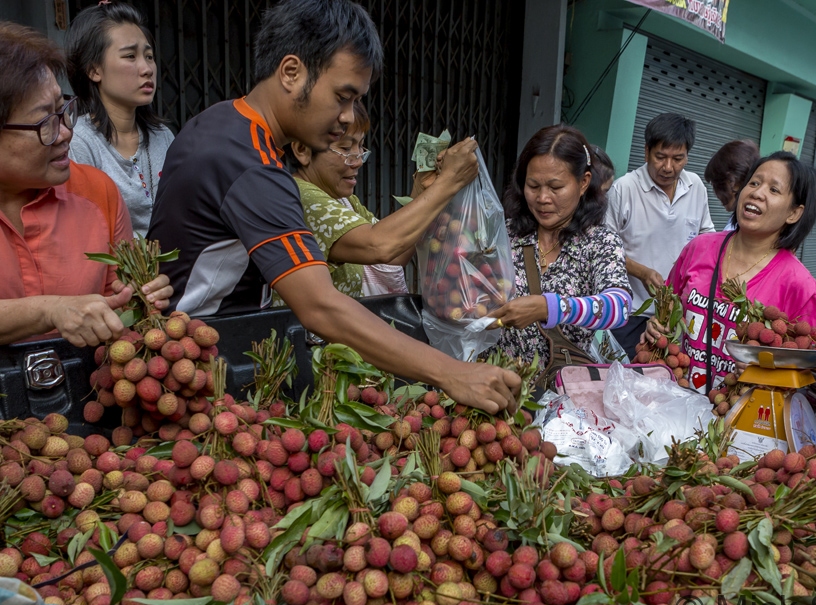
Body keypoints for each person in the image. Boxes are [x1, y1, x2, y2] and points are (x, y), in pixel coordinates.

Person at [147, 0, 519, 414]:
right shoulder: (247, 163)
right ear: (292, 73)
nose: (346, 117)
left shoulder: (221, 125)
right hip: (193, 368)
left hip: (207, 355)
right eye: (342, 97)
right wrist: (453, 373)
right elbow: (320, 306)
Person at [0, 22, 171, 347]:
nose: (65, 132)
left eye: (63, 110)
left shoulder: (98, 191)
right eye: (44, 122)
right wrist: (51, 311)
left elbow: (116, 301)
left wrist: (140, 298)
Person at [643, 151, 816, 394]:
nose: (757, 193)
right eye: (754, 182)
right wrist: (656, 327)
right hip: (672, 402)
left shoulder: (801, 286)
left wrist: (763, 373)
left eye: (774, 190)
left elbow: (795, 373)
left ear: (794, 213)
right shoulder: (700, 248)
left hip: (737, 419)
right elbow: (668, 307)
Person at [283, 100, 478, 297]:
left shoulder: (343, 201)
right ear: (302, 149)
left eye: (360, 147)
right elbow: (379, 246)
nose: (358, 160)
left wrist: (422, 190)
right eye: (345, 148)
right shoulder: (300, 197)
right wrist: (450, 181)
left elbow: (394, 255)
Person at [486, 125, 631, 373]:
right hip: (495, 386)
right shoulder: (504, 234)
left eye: (555, 188)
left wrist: (549, 307)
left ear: (583, 183)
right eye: (533, 186)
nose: (543, 198)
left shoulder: (599, 242)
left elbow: (619, 306)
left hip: (560, 395)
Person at [605, 112, 713, 354]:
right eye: (660, 157)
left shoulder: (695, 186)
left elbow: (706, 241)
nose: (668, 167)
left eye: (678, 158)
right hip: (631, 314)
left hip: (677, 316)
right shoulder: (624, 189)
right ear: (646, 152)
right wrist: (642, 272)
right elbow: (604, 251)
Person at [65, 2, 174, 237]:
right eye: (130, 56)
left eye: (149, 56)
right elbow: (86, 236)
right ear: (94, 70)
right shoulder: (79, 144)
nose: (147, 69)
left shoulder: (162, 136)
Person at [704, 139, 760, 230]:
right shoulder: (738, 220)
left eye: (716, 184)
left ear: (733, 182)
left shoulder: (744, 227)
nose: (716, 193)